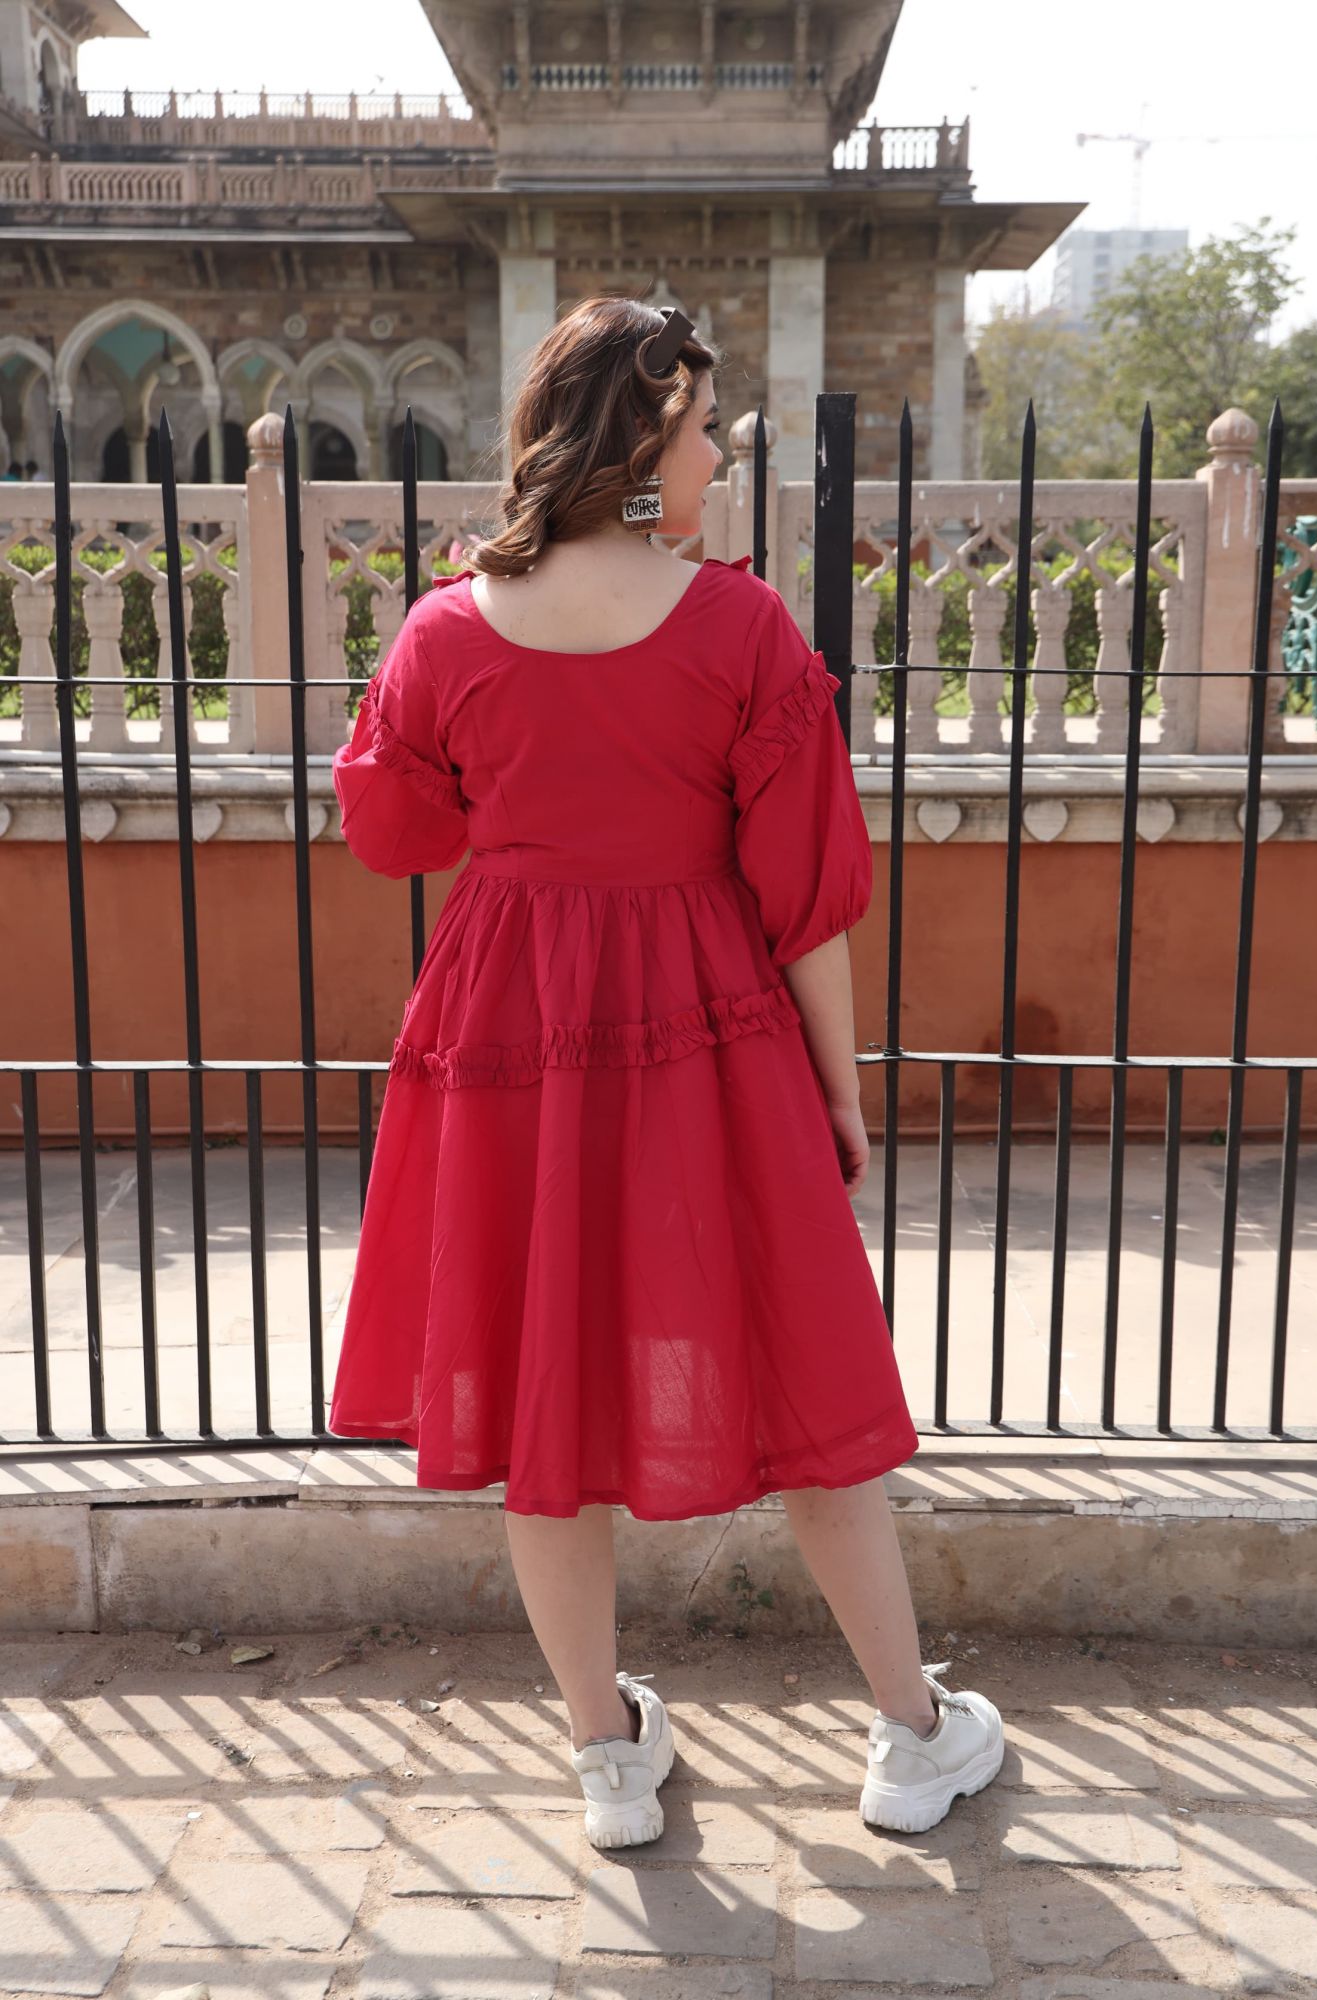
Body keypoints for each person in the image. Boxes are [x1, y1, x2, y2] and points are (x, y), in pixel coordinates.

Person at [327, 296, 1005, 1850]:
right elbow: (806, 899)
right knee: (805, 1371)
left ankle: (607, 1757)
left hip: (507, 1032)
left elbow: (394, 834)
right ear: (640, 445)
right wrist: (836, 1091)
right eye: (699, 425)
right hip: (707, 1030)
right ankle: (911, 1739)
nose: (714, 450)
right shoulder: (739, 628)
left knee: (539, 1382)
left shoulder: (445, 628)